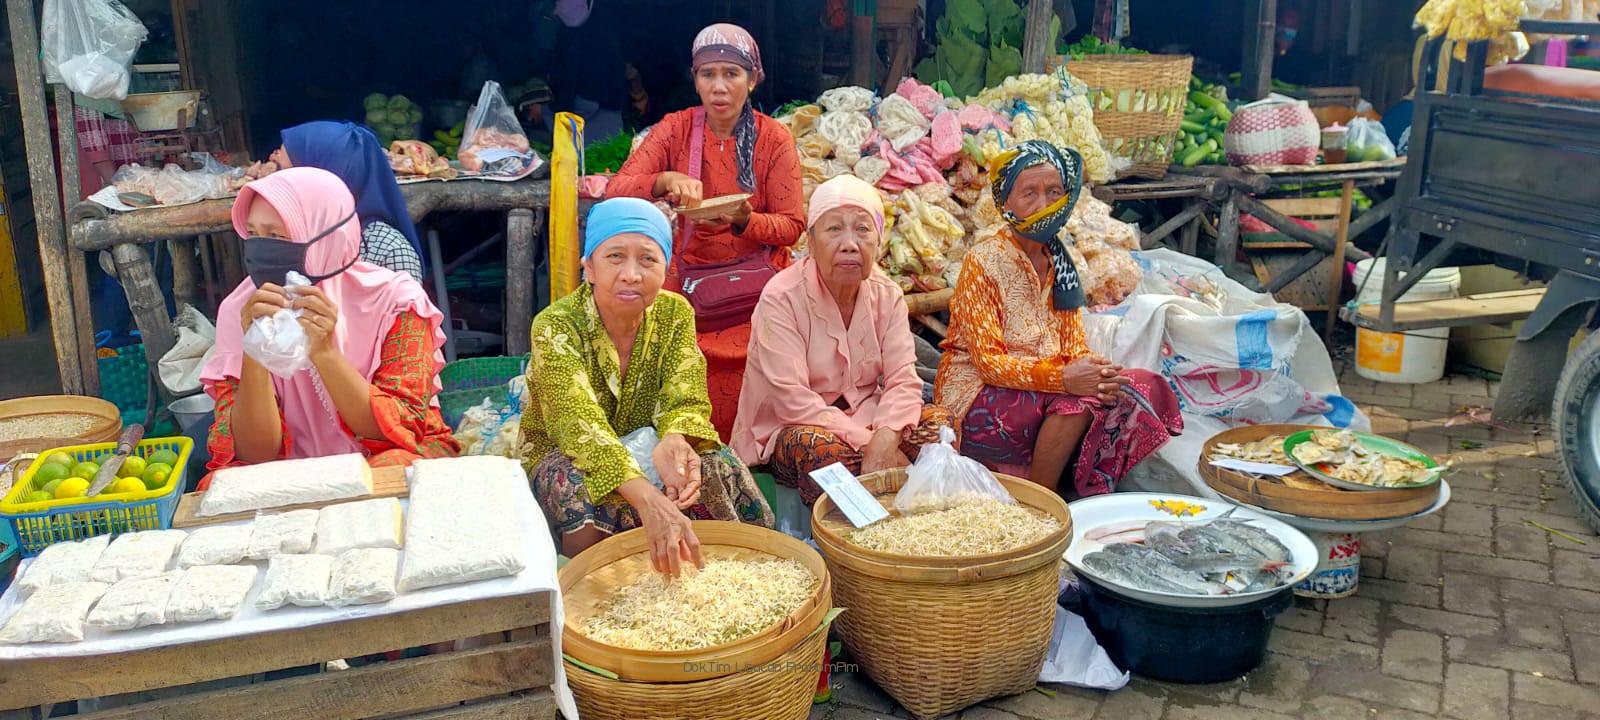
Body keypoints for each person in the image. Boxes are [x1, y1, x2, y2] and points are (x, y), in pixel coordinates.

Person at [522, 198, 773, 574]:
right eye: (615, 257)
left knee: (714, 465)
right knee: (575, 487)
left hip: (648, 440)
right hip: (571, 451)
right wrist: (647, 498)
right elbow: (578, 426)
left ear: (666, 268)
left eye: (648, 260)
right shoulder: (555, 326)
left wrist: (674, 440)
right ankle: (591, 589)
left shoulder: (674, 313)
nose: (631, 274)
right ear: (588, 267)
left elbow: (685, 393)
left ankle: (729, 571)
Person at [934, 141, 1182, 498]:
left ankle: (1084, 482)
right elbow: (989, 365)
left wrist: (1095, 371)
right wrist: (1065, 378)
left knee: (1136, 386)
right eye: (1029, 193)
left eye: (1053, 192)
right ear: (1006, 205)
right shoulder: (983, 262)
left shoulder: (1062, 263)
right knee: (1077, 402)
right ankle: (1040, 501)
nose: (1043, 205)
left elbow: (1073, 345)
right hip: (976, 394)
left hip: (1044, 385)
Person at [606, 23, 805, 440]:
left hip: (756, 284)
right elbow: (616, 189)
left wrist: (743, 220)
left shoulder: (774, 138)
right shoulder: (676, 128)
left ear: (752, 80)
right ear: (694, 80)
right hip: (690, 284)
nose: (719, 86)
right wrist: (665, 180)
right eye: (708, 74)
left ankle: (758, 453)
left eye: (731, 74)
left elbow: (791, 227)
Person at [199, 168, 458, 485]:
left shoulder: (397, 301)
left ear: (328, 236)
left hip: (383, 451)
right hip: (290, 466)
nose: (261, 249)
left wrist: (324, 353)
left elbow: (395, 431)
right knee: (219, 485)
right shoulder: (241, 308)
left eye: (277, 236)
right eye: (252, 234)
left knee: (391, 470)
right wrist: (254, 355)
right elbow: (256, 455)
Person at [733, 175, 953, 505]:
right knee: (823, 452)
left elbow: (902, 379)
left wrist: (887, 434)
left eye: (862, 229)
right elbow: (792, 400)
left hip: (866, 414)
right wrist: (869, 444)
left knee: (940, 428)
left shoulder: (887, 294)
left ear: (878, 242)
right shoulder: (782, 297)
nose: (849, 242)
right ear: (810, 241)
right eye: (834, 229)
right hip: (790, 426)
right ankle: (844, 544)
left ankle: (918, 532)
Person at [268, 121, 425, 280]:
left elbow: (410, 305)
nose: (280, 184)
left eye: (283, 171)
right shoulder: (285, 237)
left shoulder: (388, 251)